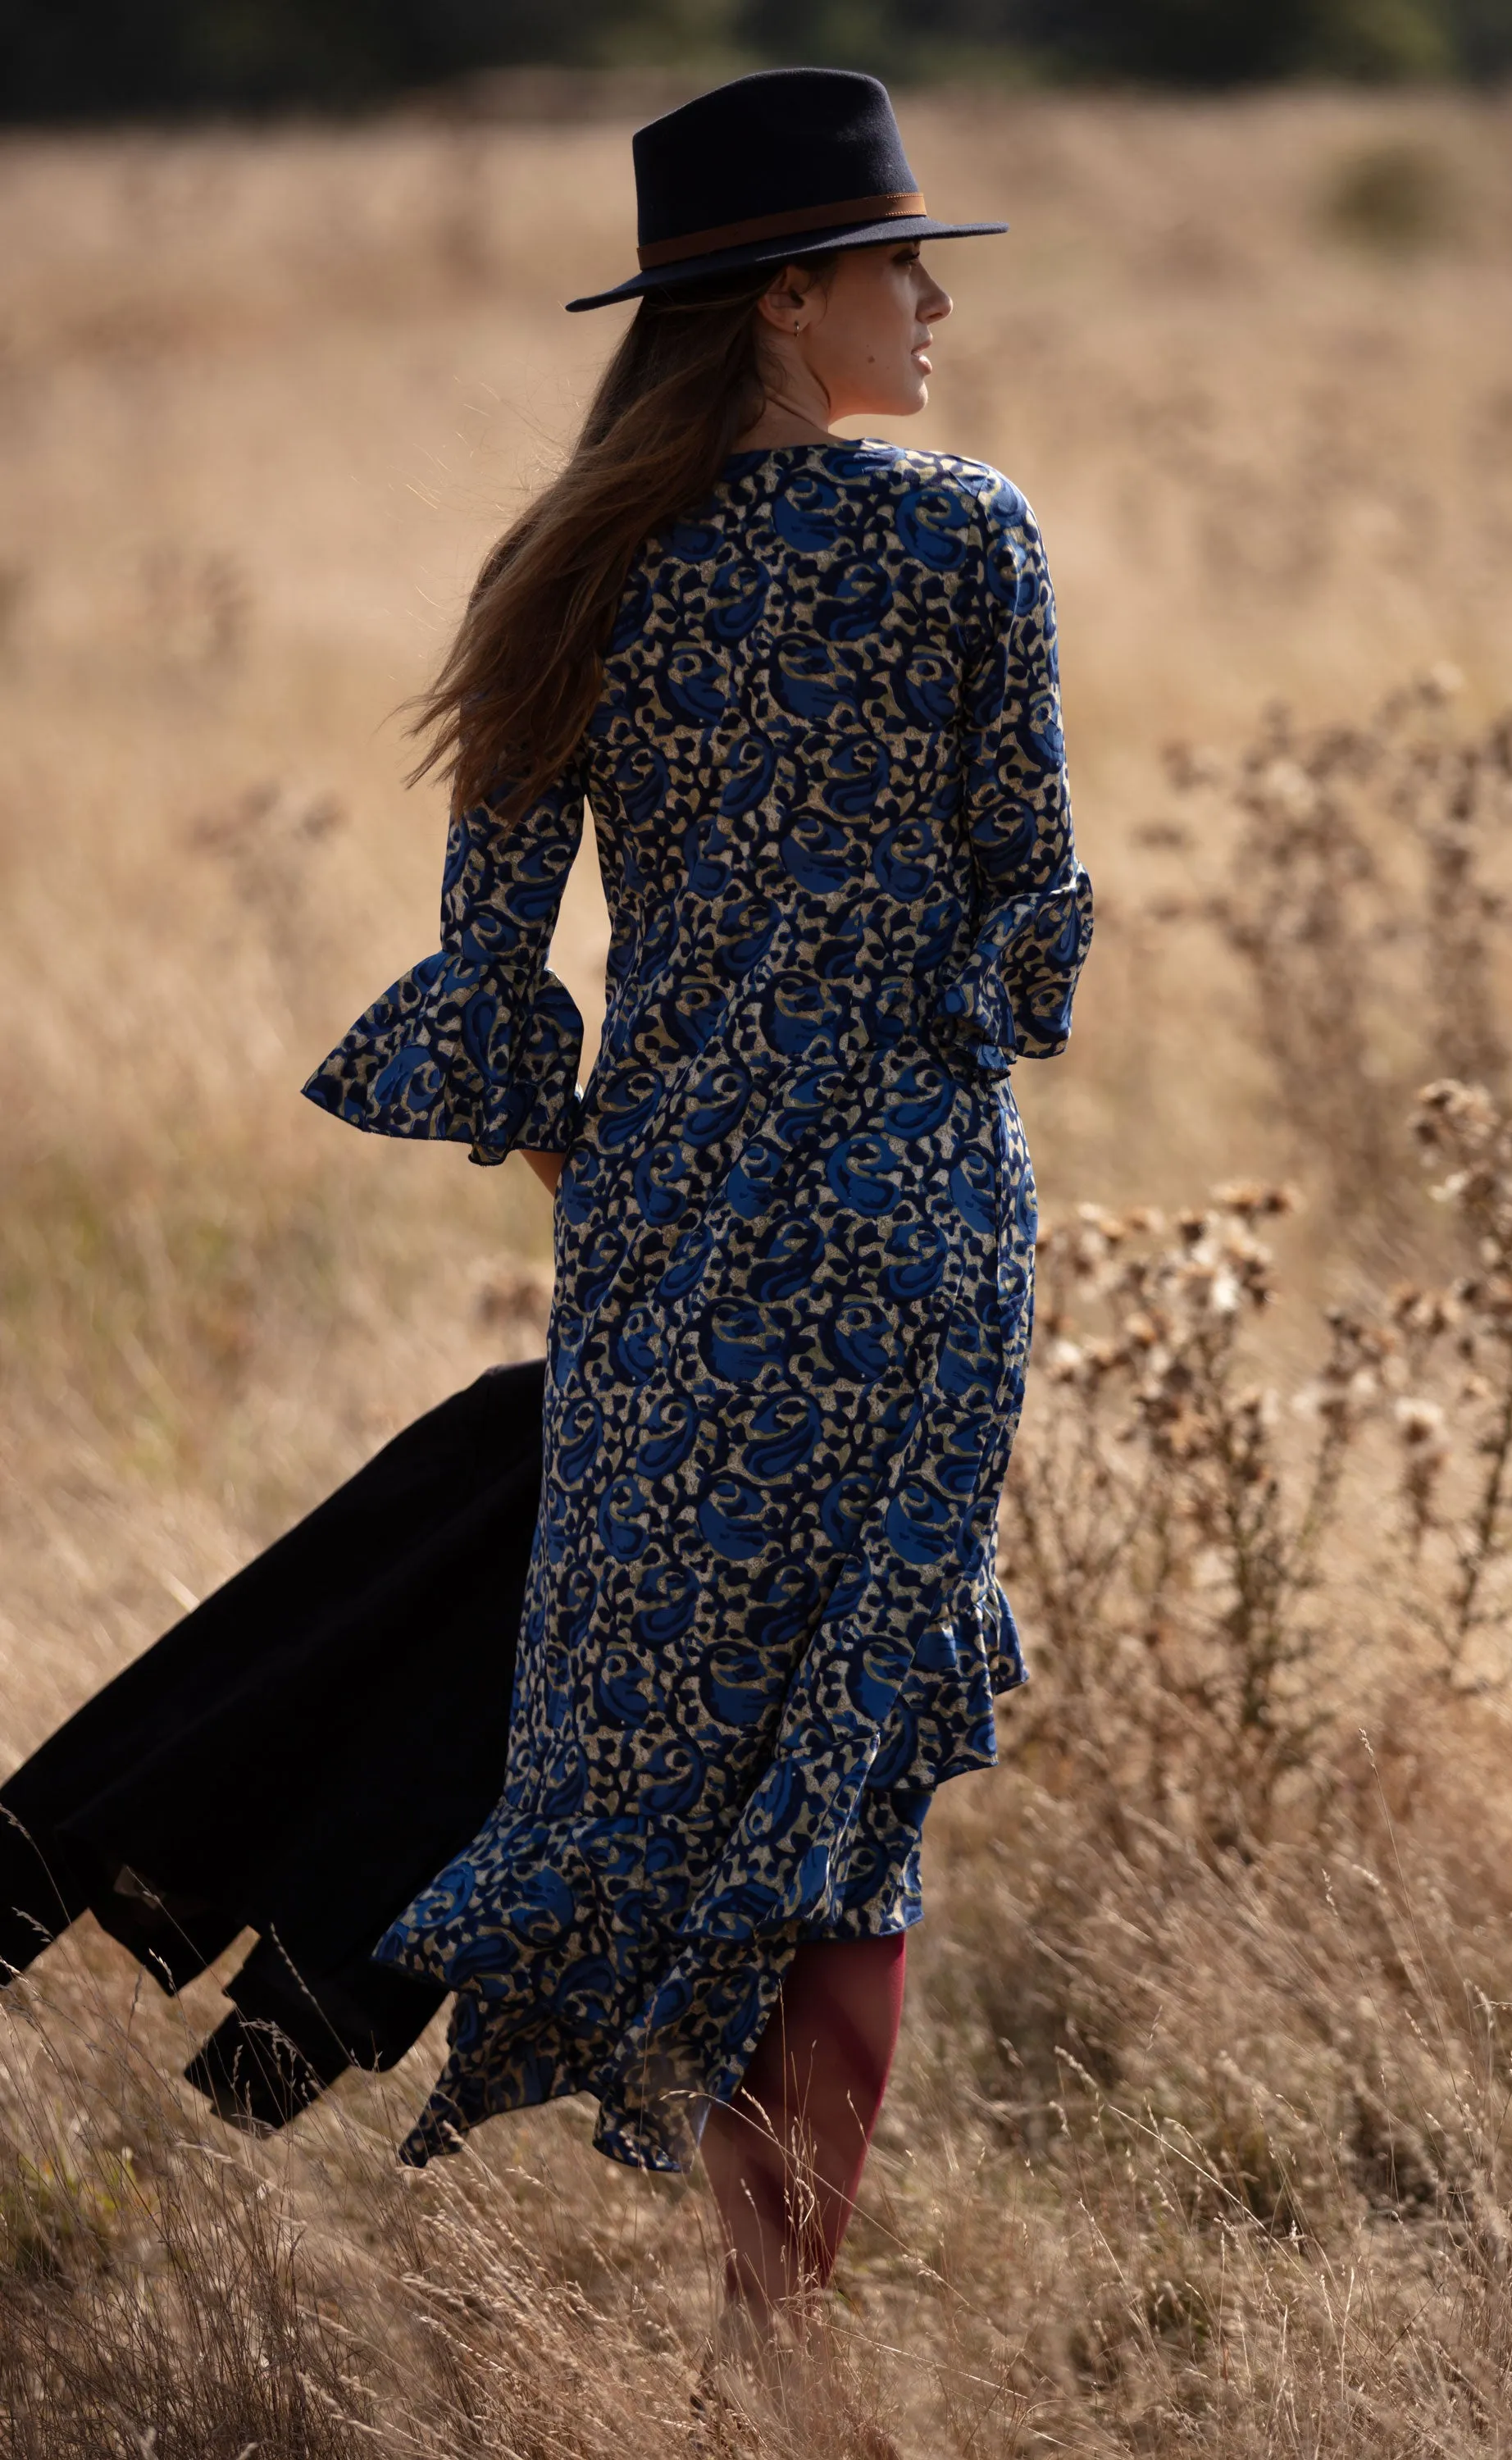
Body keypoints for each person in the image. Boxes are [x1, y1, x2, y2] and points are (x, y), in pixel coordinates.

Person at [4, 65, 1093, 2342]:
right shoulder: (966, 538)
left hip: (670, 1244)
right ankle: (769, 2335)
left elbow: (494, 980)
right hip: (919, 1229)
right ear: (792, 296)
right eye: (904, 264)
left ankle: (758, 2315)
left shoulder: (570, 566)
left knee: (678, 1750)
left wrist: (620, 1193)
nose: (934, 304)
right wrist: (889, 1082)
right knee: (846, 1754)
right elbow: (1027, 919)